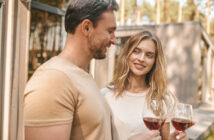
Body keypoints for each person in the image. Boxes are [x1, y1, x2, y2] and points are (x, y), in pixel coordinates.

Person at [24, 0, 118, 140]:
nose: (114, 40)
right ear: (86, 28)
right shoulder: (53, 80)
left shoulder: (81, 74)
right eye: (110, 31)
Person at [101, 30, 188, 140]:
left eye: (149, 55)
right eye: (136, 51)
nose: (141, 59)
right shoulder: (105, 96)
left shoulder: (164, 98)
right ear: (127, 54)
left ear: (155, 61)